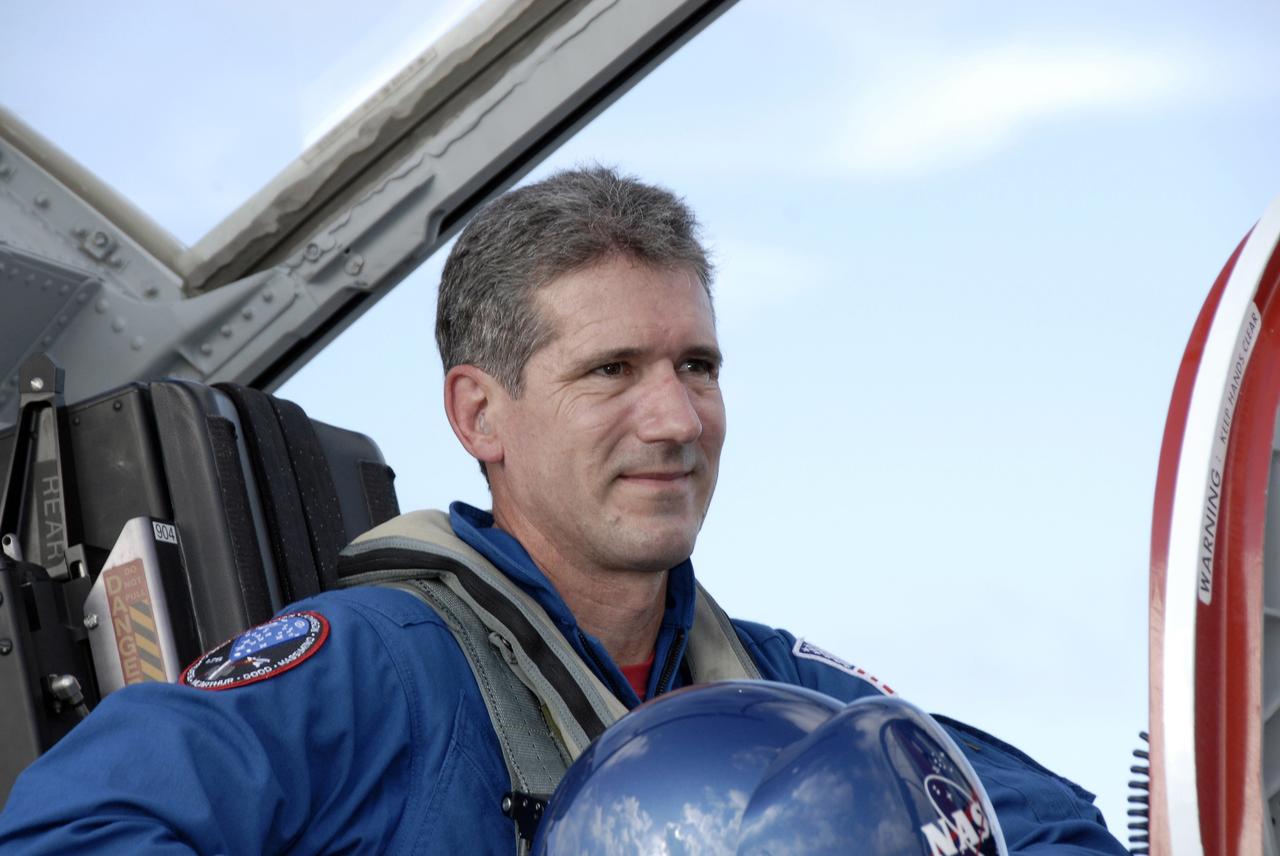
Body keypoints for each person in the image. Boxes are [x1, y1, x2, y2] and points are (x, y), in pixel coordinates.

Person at [0, 167, 1127, 854]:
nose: (675, 418)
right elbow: (75, 828)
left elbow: (1028, 820)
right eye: (611, 371)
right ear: (480, 414)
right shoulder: (372, 667)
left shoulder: (773, 689)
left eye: (697, 364)